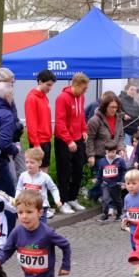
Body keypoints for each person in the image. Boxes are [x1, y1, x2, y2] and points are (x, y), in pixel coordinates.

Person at [0, 189, 71, 277]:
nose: (24, 216)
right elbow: (7, 250)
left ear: (40, 213)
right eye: (20, 212)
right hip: (29, 276)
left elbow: (65, 244)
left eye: (29, 212)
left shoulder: (47, 233)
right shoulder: (17, 232)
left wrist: (65, 265)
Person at [54, 73, 90, 212]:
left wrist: (84, 130)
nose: (85, 91)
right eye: (84, 88)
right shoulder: (62, 98)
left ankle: (72, 198)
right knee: (64, 171)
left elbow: (80, 116)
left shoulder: (81, 97)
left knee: (78, 169)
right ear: (76, 85)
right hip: (64, 140)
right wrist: (68, 140)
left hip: (78, 137)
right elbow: (60, 121)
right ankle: (62, 201)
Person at [16, 146, 62, 220]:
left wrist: (57, 199)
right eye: (27, 162)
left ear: (39, 163)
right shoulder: (23, 175)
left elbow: (53, 189)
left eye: (32, 162)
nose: (29, 165)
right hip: (27, 206)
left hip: (42, 207)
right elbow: (19, 188)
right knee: (29, 227)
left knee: (41, 228)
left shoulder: (45, 177)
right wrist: (17, 199)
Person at [24, 70, 56, 168]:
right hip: (39, 141)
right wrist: (36, 144)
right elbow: (31, 123)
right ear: (40, 82)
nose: (50, 88)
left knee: (45, 169)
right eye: (48, 85)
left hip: (46, 139)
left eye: (51, 85)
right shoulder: (32, 98)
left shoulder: (44, 97)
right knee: (38, 170)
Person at [122, 169, 139, 276]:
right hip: (133, 230)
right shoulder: (127, 197)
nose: (131, 186)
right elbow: (126, 211)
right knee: (135, 248)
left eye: (134, 183)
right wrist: (124, 218)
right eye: (128, 183)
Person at [95, 144, 127, 223]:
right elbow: (100, 171)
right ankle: (105, 214)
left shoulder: (120, 160)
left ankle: (119, 214)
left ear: (116, 151)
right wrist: (97, 179)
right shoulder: (102, 161)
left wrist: (123, 182)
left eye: (113, 152)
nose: (111, 154)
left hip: (116, 183)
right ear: (106, 152)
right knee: (105, 199)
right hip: (105, 183)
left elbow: (124, 171)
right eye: (109, 152)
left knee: (117, 199)